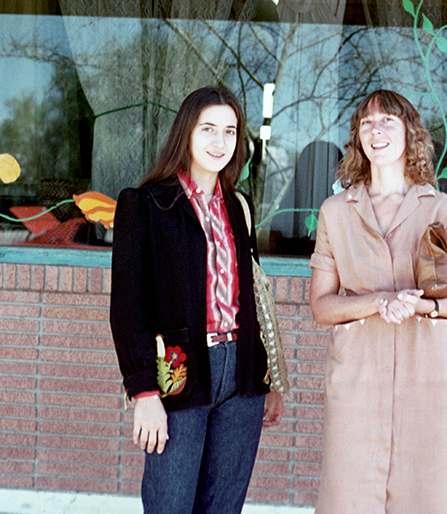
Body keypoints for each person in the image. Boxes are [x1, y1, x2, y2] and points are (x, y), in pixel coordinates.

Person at [309, 89, 447, 514]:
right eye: (367, 123)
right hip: (355, 380)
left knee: (431, 498)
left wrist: (426, 307)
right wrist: (380, 300)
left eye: (388, 120)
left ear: (410, 134)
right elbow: (321, 306)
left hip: (427, 381)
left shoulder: (441, 209)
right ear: (358, 137)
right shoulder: (335, 211)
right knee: (349, 498)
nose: (377, 130)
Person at [110, 86, 284, 514]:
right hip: (180, 375)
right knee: (170, 504)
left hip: (243, 377)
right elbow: (128, 309)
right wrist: (144, 392)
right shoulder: (145, 205)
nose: (219, 142)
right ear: (185, 133)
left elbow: (255, 302)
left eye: (230, 131)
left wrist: (273, 380)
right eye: (208, 128)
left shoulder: (239, 207)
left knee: (223, 507)